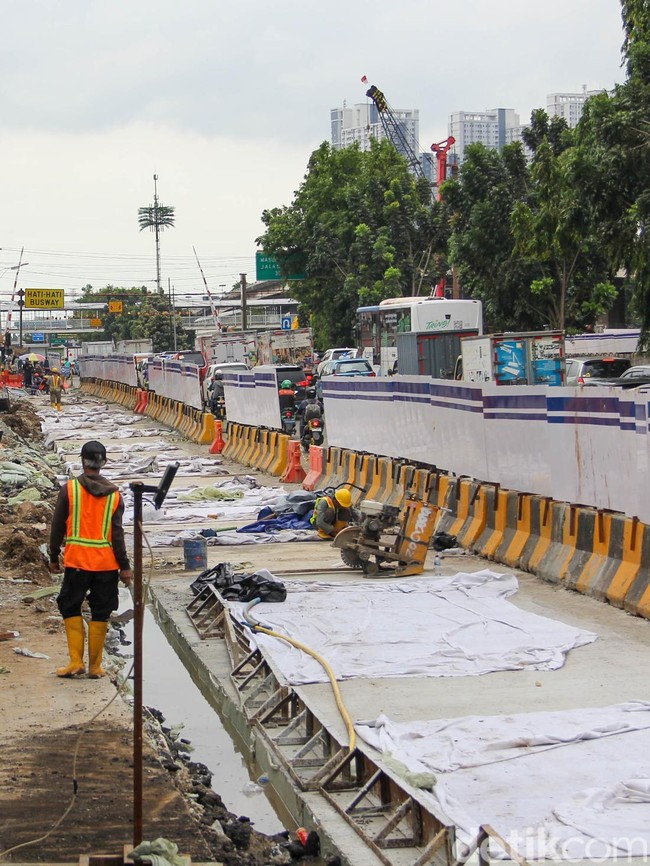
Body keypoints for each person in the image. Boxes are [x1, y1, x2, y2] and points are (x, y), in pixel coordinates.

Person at [49, 441, 133, 678]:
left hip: (77, 563)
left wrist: (54, 556)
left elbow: (57, 527)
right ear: (103, 463)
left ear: (82, 461)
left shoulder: (70, 490)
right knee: (101, 611)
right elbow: (117, 534)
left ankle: (76, 662)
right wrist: (124, 567)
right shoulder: (115, 495)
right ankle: (95, 667)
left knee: (69, 606)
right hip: (106, 565)